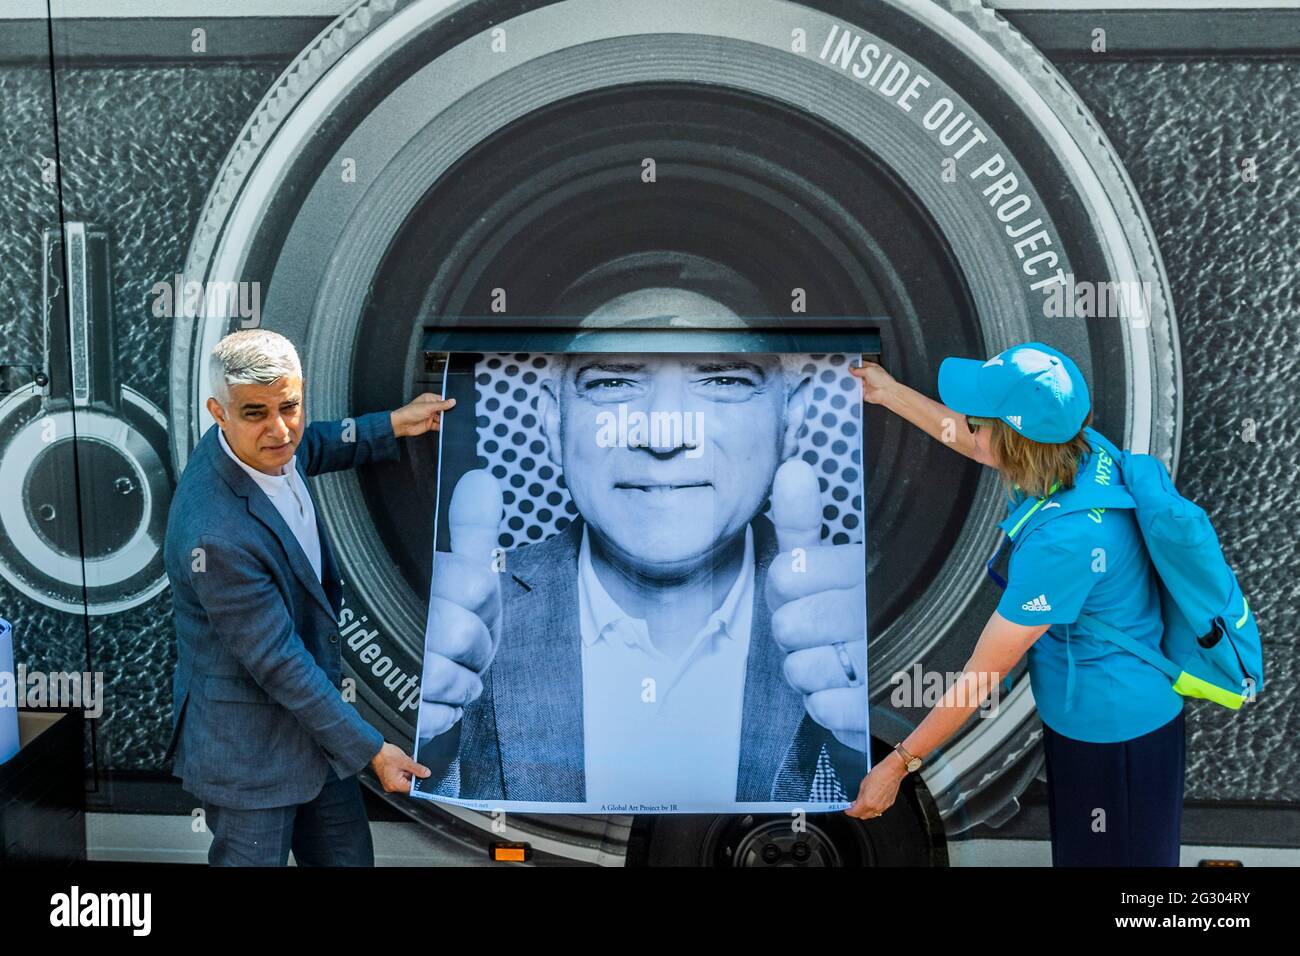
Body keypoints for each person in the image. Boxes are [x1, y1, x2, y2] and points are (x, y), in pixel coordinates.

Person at [415, 289, 869, 806]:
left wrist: (859, 744)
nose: (663, 435)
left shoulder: (859, 625)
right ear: (551, 419)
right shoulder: (456, 624)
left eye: (724, 380)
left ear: (792, 418)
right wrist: (433, 739)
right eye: (611, 381)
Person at [846, 342, 1186, 866]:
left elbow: (980, 678)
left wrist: (896, 767)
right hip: (1087, 718)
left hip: (1117, 738)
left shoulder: (1065, 544)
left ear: (1014, 440)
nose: (967, 426)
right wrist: (889, 393)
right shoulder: (1078, 449)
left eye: (978, 420)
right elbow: (978, 443)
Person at [163, 329, 454, 866]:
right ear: (217, 412)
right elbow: (279, 663)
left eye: (289, 406)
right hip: (251, 758)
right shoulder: (215, 534)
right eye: (255, 413)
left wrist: (392, 424)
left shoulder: (263, 444)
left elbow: (308, 445)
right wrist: (372, 750)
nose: (279, 429)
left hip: (317, 740)